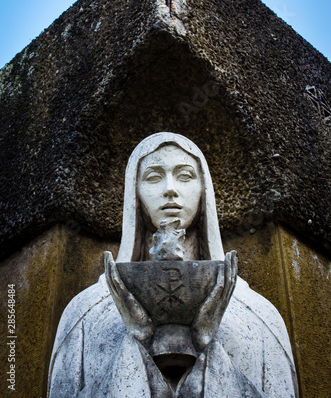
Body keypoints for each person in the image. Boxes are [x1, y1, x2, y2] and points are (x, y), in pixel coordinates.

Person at [47, 132, 298, 397]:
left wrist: (206, 344)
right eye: (154, 177)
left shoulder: (256, 313)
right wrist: (137, 342)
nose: (170, 188)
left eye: (185, 176)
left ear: (204, 189)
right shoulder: (87, 311)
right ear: (136, 191)